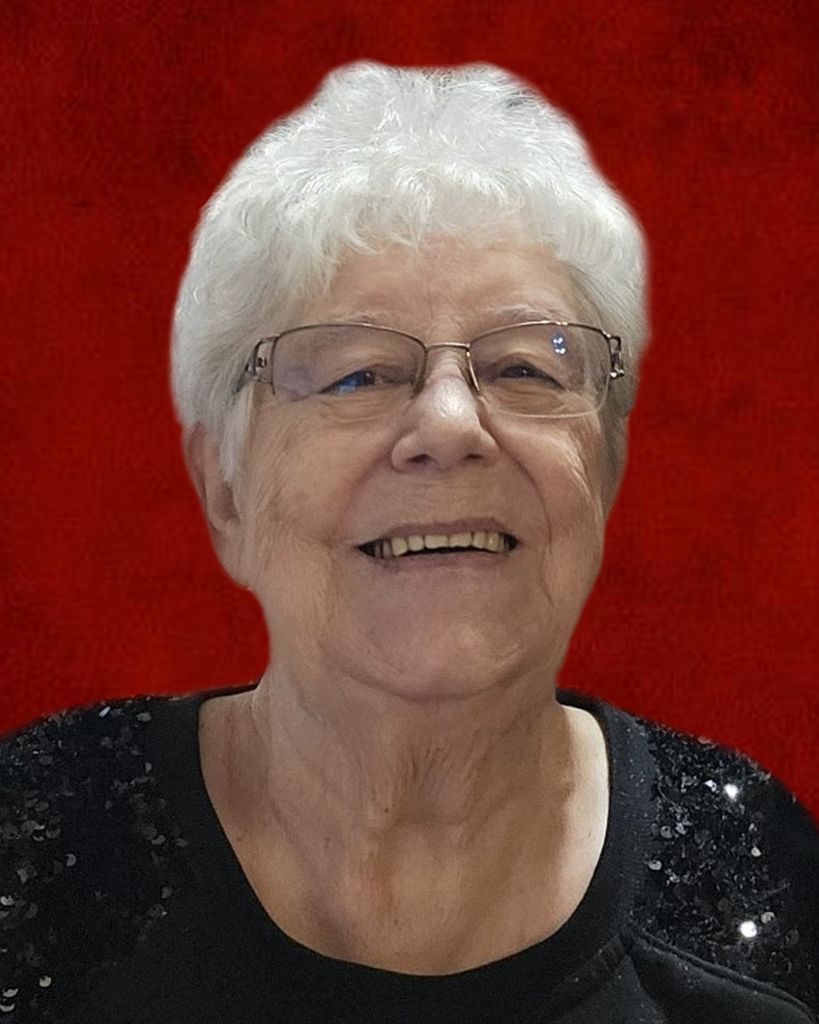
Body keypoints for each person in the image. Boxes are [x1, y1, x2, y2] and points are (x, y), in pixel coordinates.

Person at [0, 62, 816, 1024]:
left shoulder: (759, 886)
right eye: (356, 375)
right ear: (224, 488)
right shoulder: (38, 846)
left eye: (525, 368)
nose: (449, 425)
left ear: (604, 468)